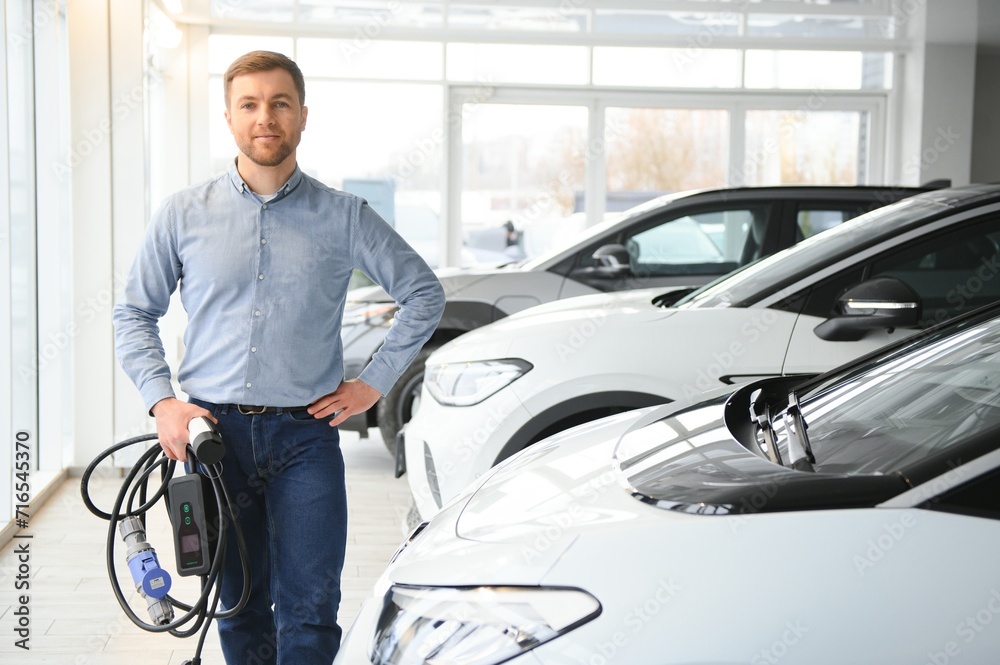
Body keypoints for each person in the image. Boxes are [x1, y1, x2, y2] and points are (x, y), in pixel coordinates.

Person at [112, 50, 445, 664]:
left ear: (301, 116)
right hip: (213, 439)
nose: (265, 117)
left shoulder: (345, 216)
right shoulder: (183, 215)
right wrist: (163, 402)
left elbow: (425, 294)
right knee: (237, 608)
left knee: (311, 612)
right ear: (230, 118)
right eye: (250, 104)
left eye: (279, 103)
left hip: (305, 439)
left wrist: (372, 384)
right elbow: (134, 313)